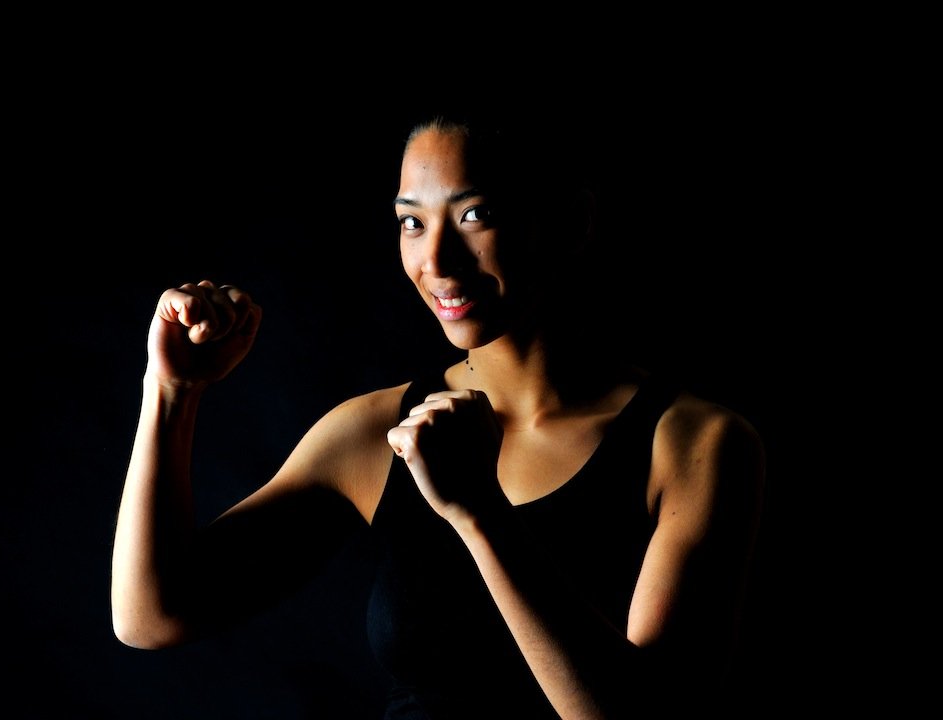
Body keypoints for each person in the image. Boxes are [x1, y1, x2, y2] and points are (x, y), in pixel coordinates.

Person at [110, 111, 766, 719]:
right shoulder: (378, 432)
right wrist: (171, 391)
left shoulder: (695, 444)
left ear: (571, 222)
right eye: (412, 223)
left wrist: (481, 516)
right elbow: (152, 616)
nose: (437, 261)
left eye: (476, 214)